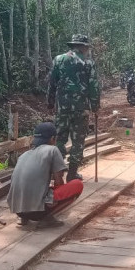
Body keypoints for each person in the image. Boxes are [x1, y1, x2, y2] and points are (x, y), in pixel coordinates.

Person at [7, 122, 84, 227]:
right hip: (38, 212)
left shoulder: (24, 155)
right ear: (53, 139)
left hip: (18, 210)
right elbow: (58, 181)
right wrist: (54, 197)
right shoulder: (52, 150)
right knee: (77, 184)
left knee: (39, 188)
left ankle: (23, 218)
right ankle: (47, 217)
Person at [47, 34, 100, 182]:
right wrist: (95, 106)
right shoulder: (88, 63)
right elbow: (93, 87)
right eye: (87, 47)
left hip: (62, 108)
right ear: (83, 47)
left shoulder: (59, 59)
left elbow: (52, 83)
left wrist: (50, 103)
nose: (87, 50)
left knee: (59, 139)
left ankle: (56, 173)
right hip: (80, 109)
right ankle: (72, 174)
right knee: (78, 141)